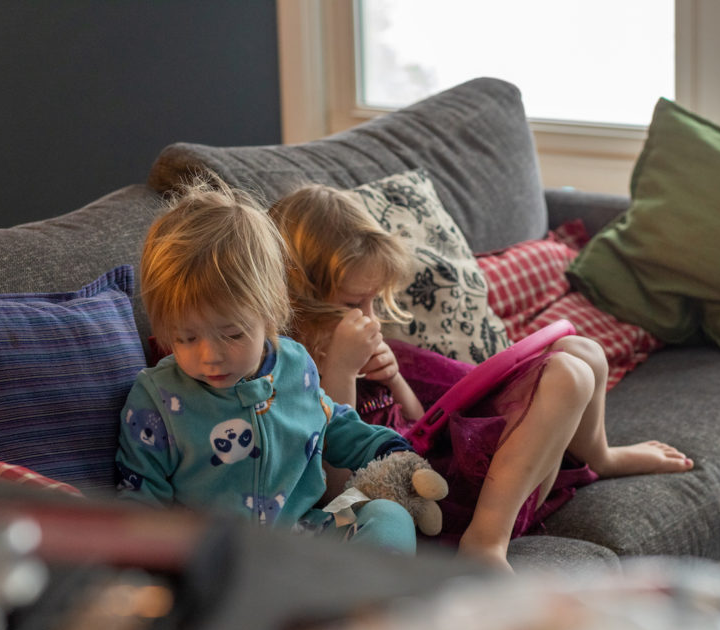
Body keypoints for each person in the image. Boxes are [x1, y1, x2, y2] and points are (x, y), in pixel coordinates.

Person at [269, 184, 694, 572]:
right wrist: (341, 371)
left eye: (374, 301)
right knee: (566, 375)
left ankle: (599, 456)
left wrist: (396, 380)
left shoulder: (378, 352)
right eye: (352, 304)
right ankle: (486, 542)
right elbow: (334, 489)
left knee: (582, 351)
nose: (370, 319)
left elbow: (421, 424)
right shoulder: (290, 376)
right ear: (298, 301)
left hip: (462, 465)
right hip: (440, 503)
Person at [114, 177, 419, 555]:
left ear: (271, 310)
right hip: (213, 558)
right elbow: (140, 499)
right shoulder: (157, 399)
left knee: (390, 517)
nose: (210, 356)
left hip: (304, 537)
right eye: (186, 338)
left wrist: (395, 453)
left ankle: (348, 601)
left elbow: (332, 423)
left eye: (232, 334)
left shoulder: (294, 364)